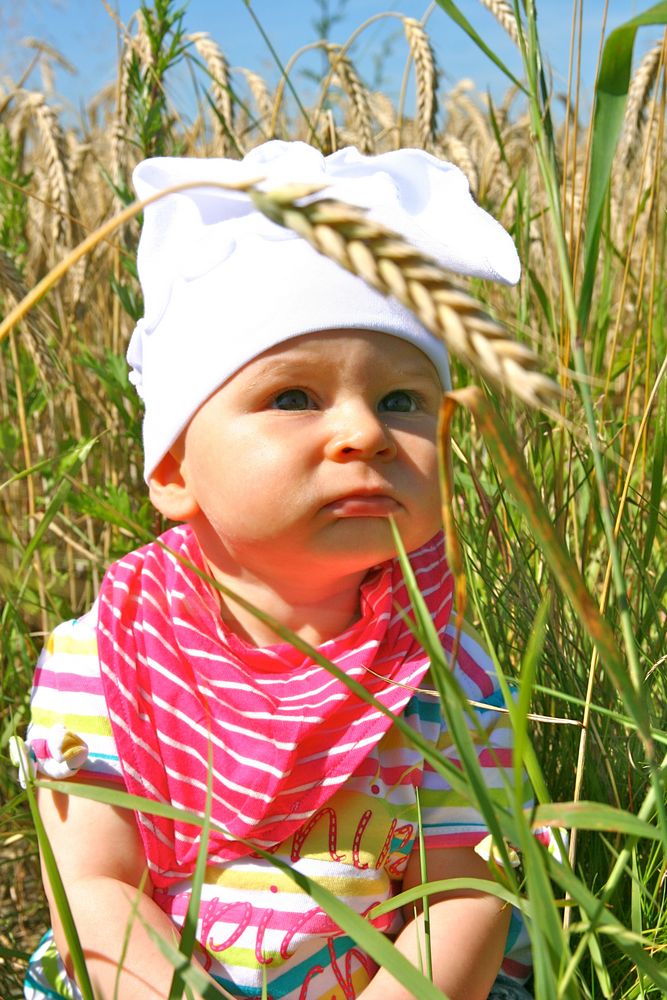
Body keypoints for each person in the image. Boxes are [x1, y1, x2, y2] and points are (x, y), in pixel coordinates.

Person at [18, 141, 535, 1000]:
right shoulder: (110, 660)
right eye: (293, 397)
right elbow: (99, 890)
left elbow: (463, 892)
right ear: (175, 471)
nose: (365, 433)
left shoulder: (444, 672)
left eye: (403, 400)